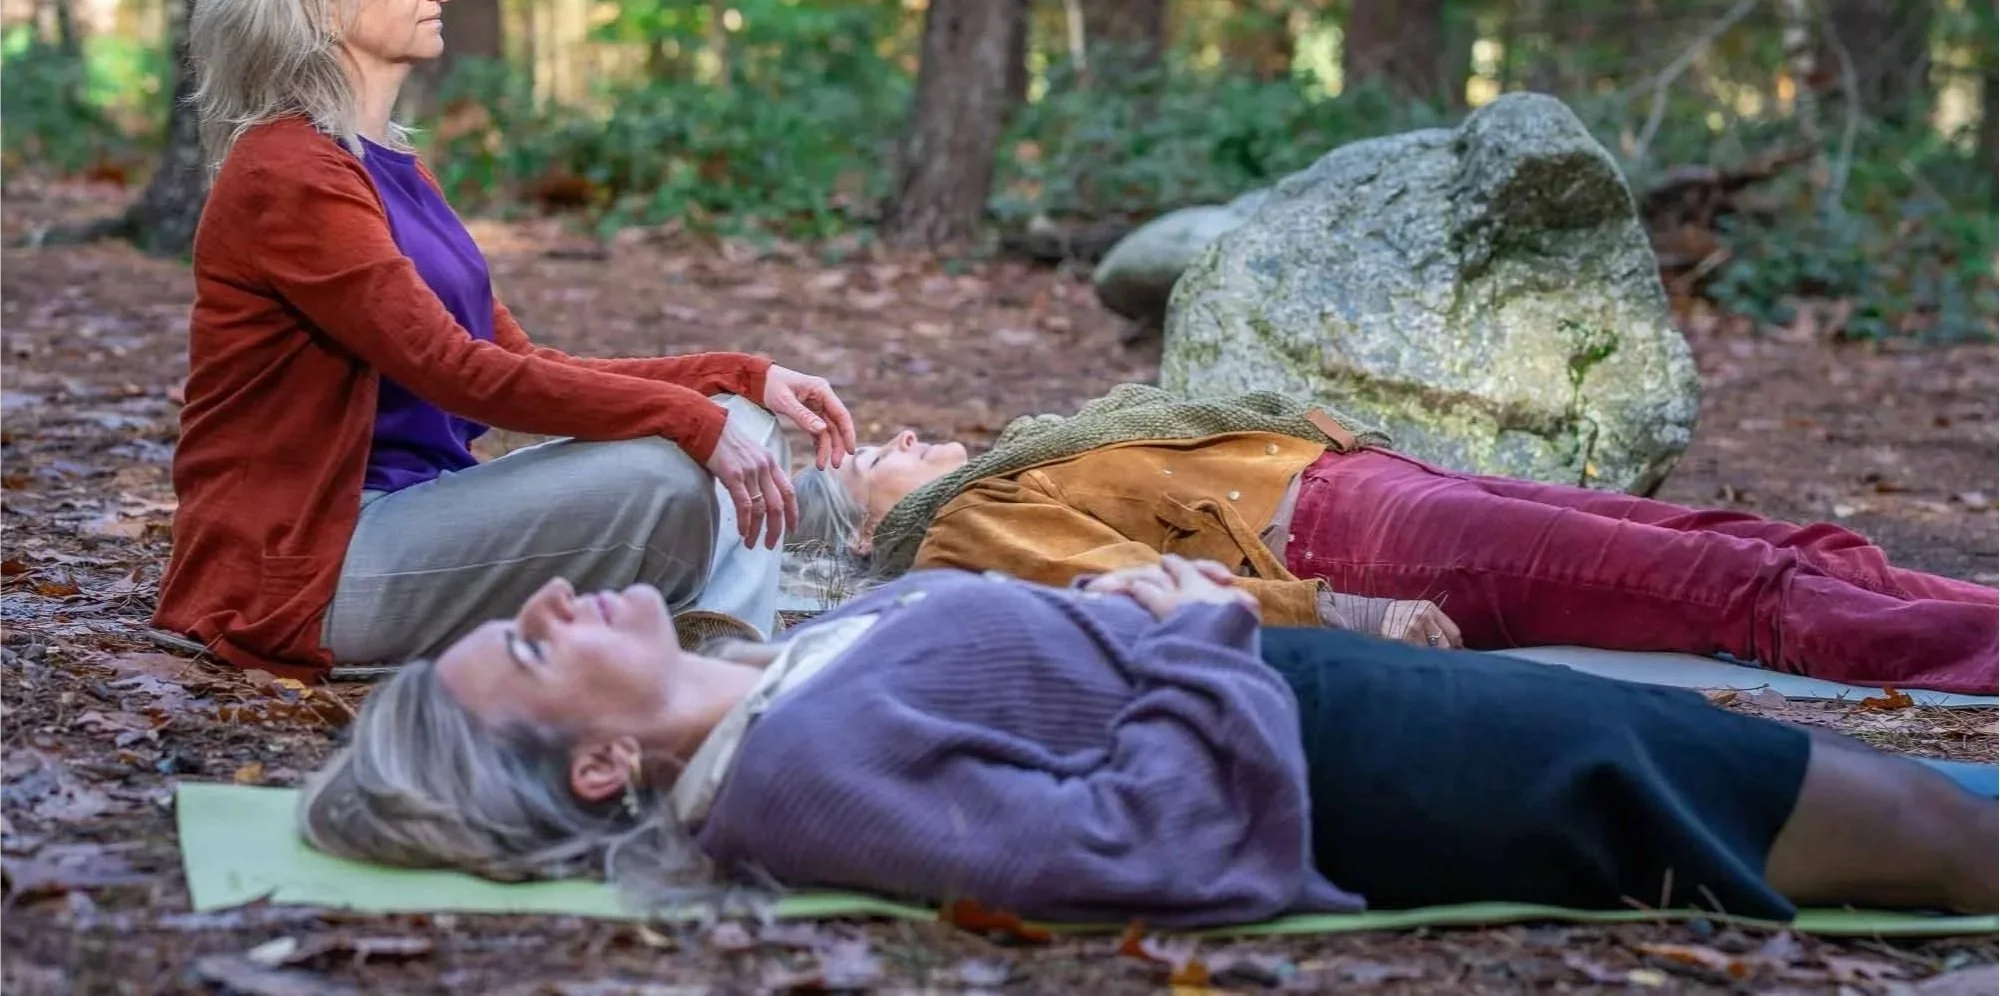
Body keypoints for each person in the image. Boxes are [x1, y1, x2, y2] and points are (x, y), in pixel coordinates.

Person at [296, 562, 1998, 925]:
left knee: (1906, 798)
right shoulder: (796, 781)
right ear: (599, 769)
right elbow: (1145, 845)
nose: (557, 594)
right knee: (1922, 836)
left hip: (1348, 699)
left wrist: (1122, 609)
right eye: (537, 644)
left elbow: (1043, 691)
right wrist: (1188, 632)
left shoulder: (778, 683)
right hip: (1384, 769)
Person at [152, 0, 857, 680]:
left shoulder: (388, 169)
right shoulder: (288, 171)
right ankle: (729, 687)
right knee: (668, 471)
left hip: (411, 521)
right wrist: (689, 420)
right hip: (308, 568)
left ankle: (720, 668)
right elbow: (457, 372)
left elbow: (518, 362)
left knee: (743, 417)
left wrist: (737, 375)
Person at [790, 385, 1997, 694]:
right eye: (869, 454)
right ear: (865, 522)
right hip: (1353, 540)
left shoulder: (1011, 457)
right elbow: (1131, 584)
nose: (901, 434)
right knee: (1725, 583)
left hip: (1374, 485)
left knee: (1754, 541)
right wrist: (1339, 614)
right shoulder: (957, 525)